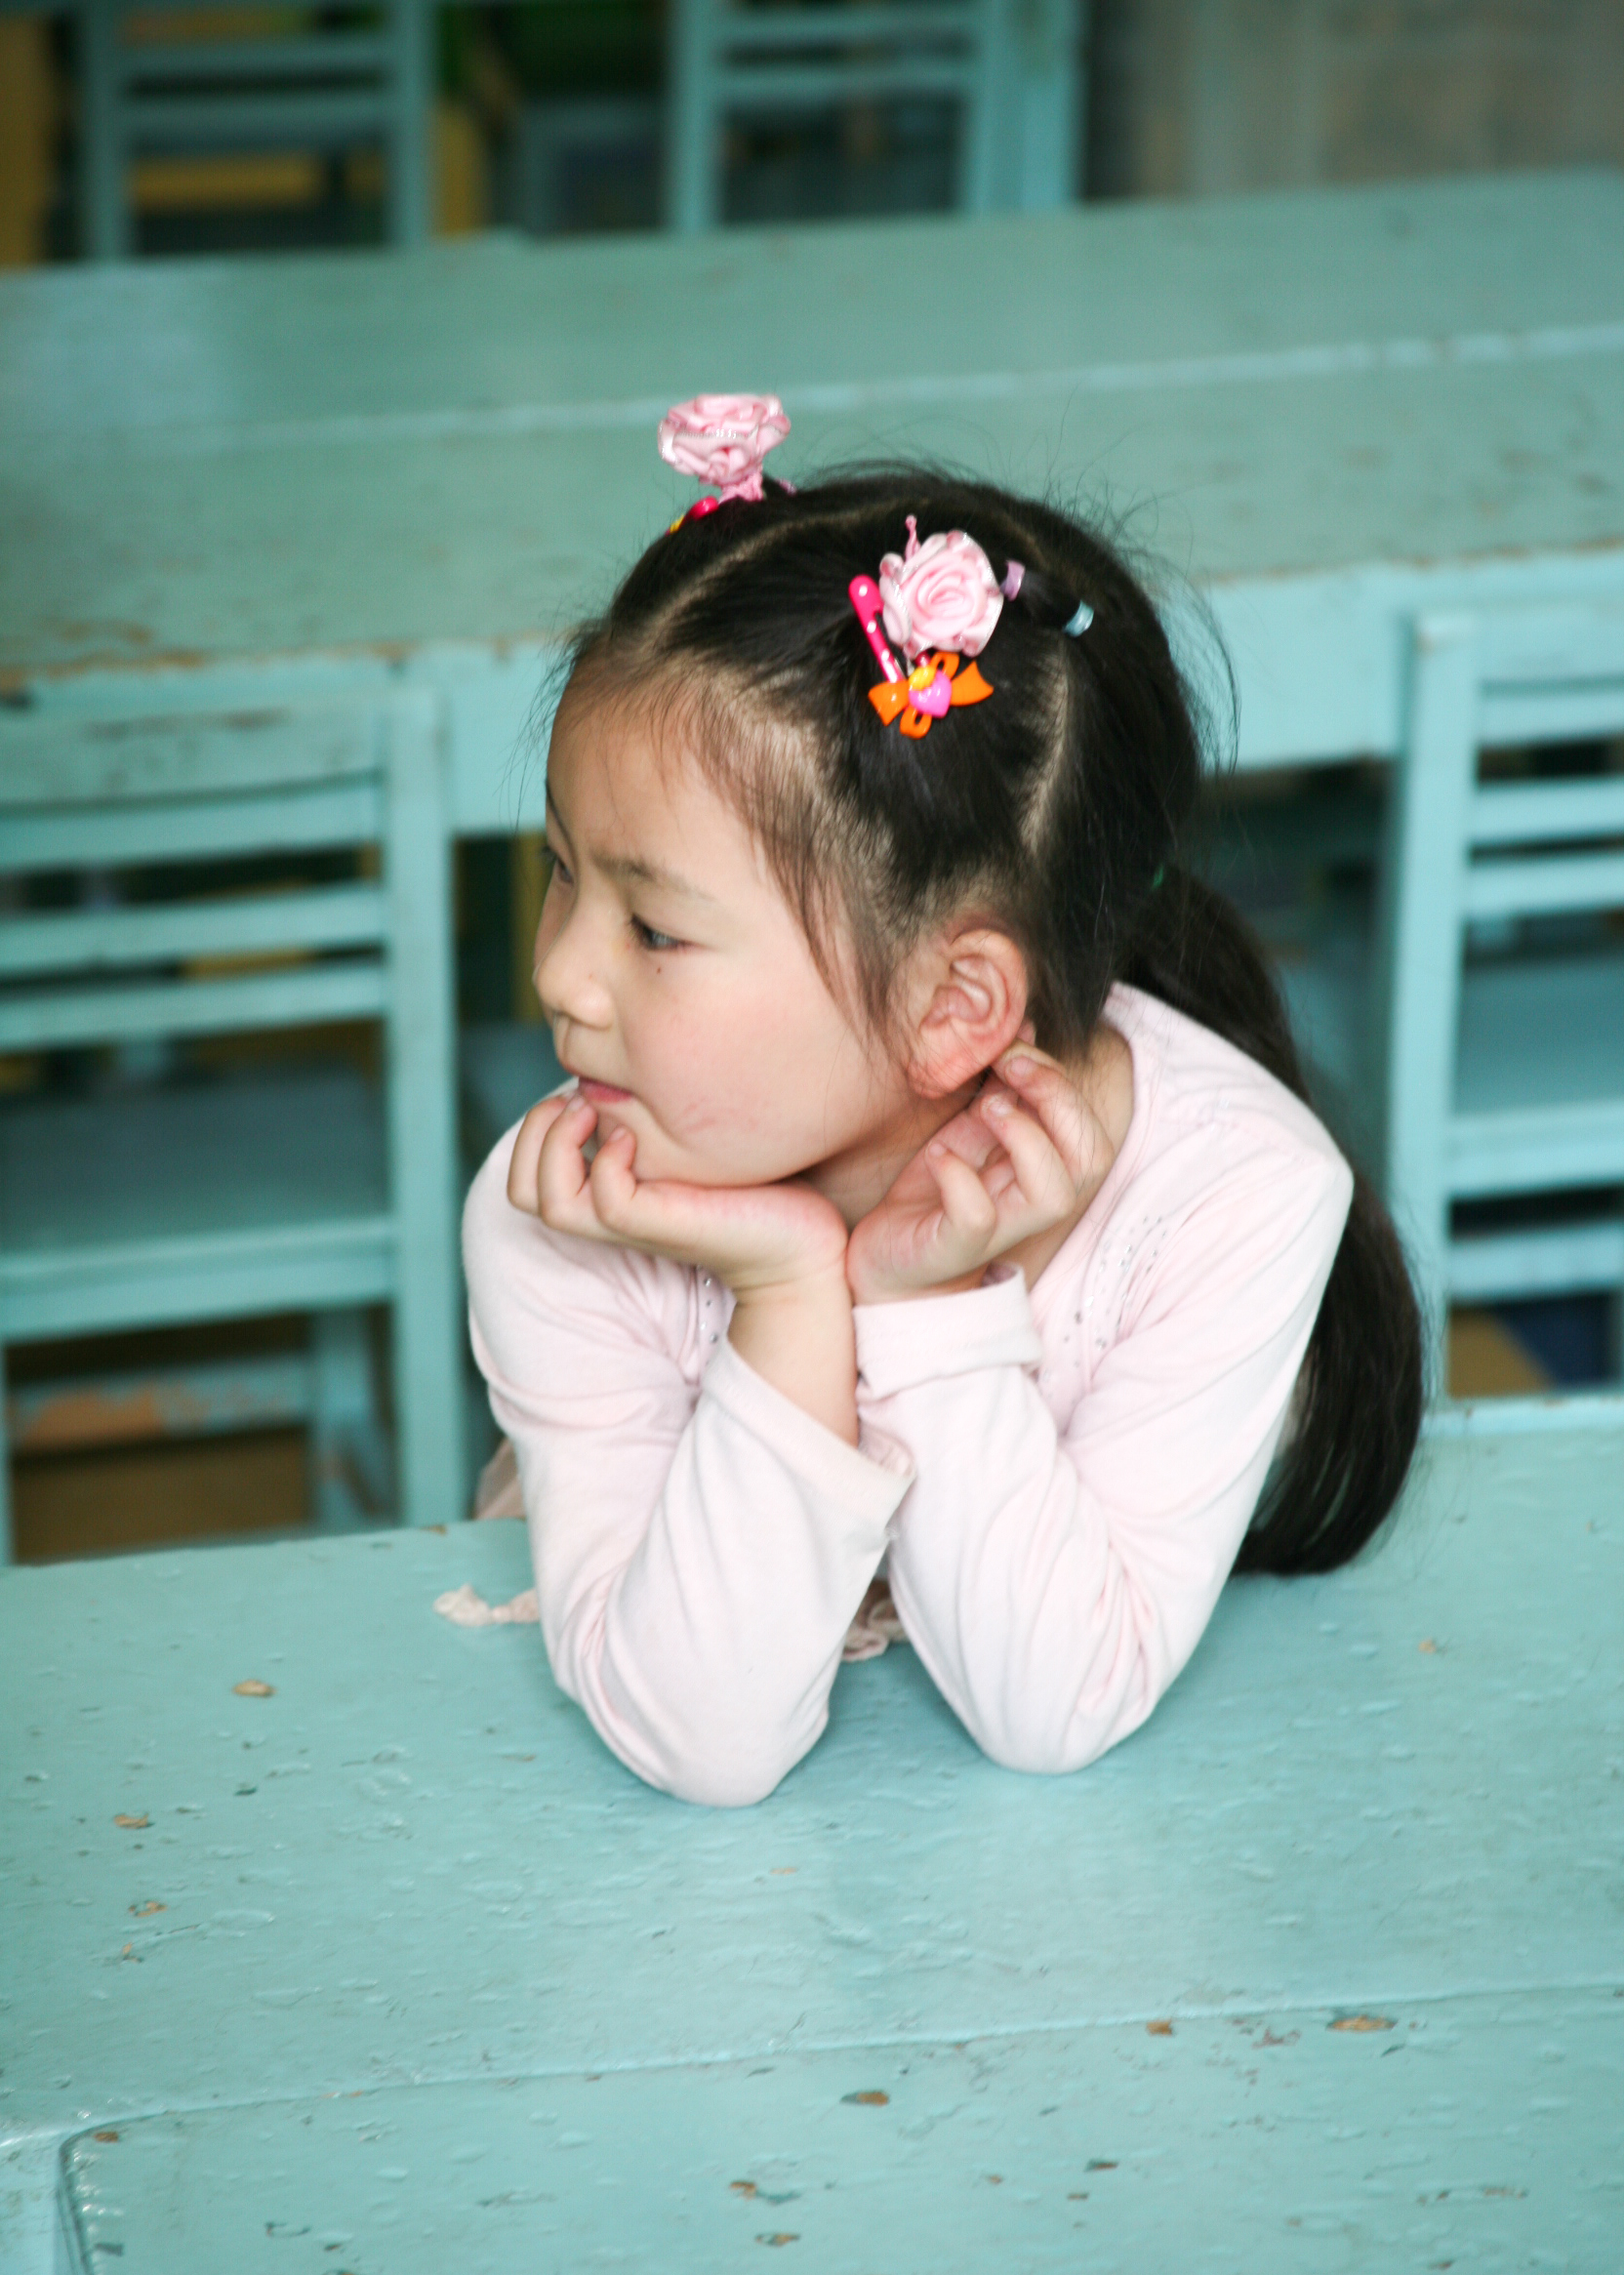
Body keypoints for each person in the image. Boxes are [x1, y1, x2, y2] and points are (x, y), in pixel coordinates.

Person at [463, 394, 1423, 1807]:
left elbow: (1053, 1712)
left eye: (653, 931)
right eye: (562, 870)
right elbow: (701, 1743)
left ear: (954, 1009)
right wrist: (796, 1293)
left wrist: (923, 1304)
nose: (561, 977)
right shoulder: (569, 1202)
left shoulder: (1234, 1199)